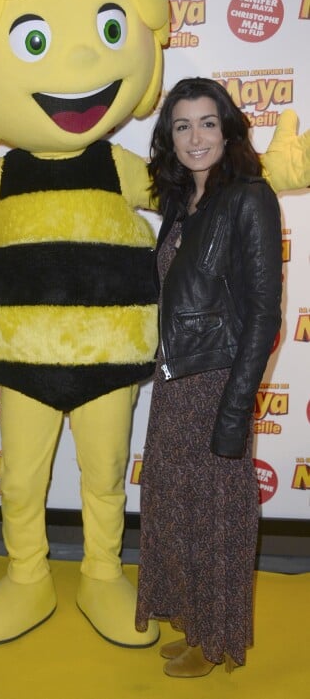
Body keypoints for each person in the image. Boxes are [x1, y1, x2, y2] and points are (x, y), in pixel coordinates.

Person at [135, 77, 283, 676]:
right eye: (182, 126)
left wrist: (234, 408)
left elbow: (263, 314)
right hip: (176, 382)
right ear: (169, 138)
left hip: (216, 384)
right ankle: (194, 621)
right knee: (176, 510)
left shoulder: (250, 197)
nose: (196, 137)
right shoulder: (182, 203)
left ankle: (216, 637)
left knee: (216, 518)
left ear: (228, 130)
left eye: (207, 123)